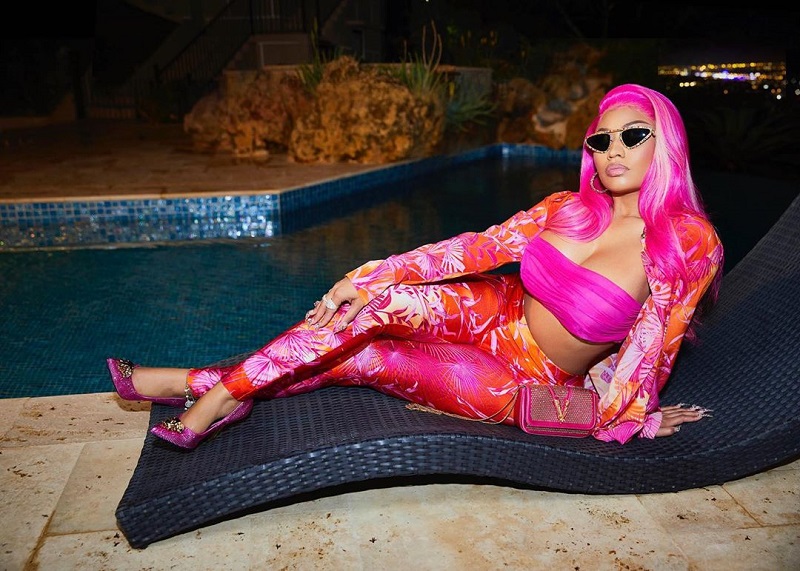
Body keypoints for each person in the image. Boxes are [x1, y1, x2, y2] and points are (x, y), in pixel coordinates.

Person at [108, 83, 723, 450]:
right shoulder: (567, 208)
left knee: (368, 357)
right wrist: (370, 276)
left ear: (665, 144)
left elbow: (656, 339)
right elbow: (474, 249)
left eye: (633, 136)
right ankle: (220, 394)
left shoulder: (687, 242)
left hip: (527, 380)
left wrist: (632, 413)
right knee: (367, 308)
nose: (614, 150)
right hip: (495, 309)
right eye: (601, 139)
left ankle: (197, 385)